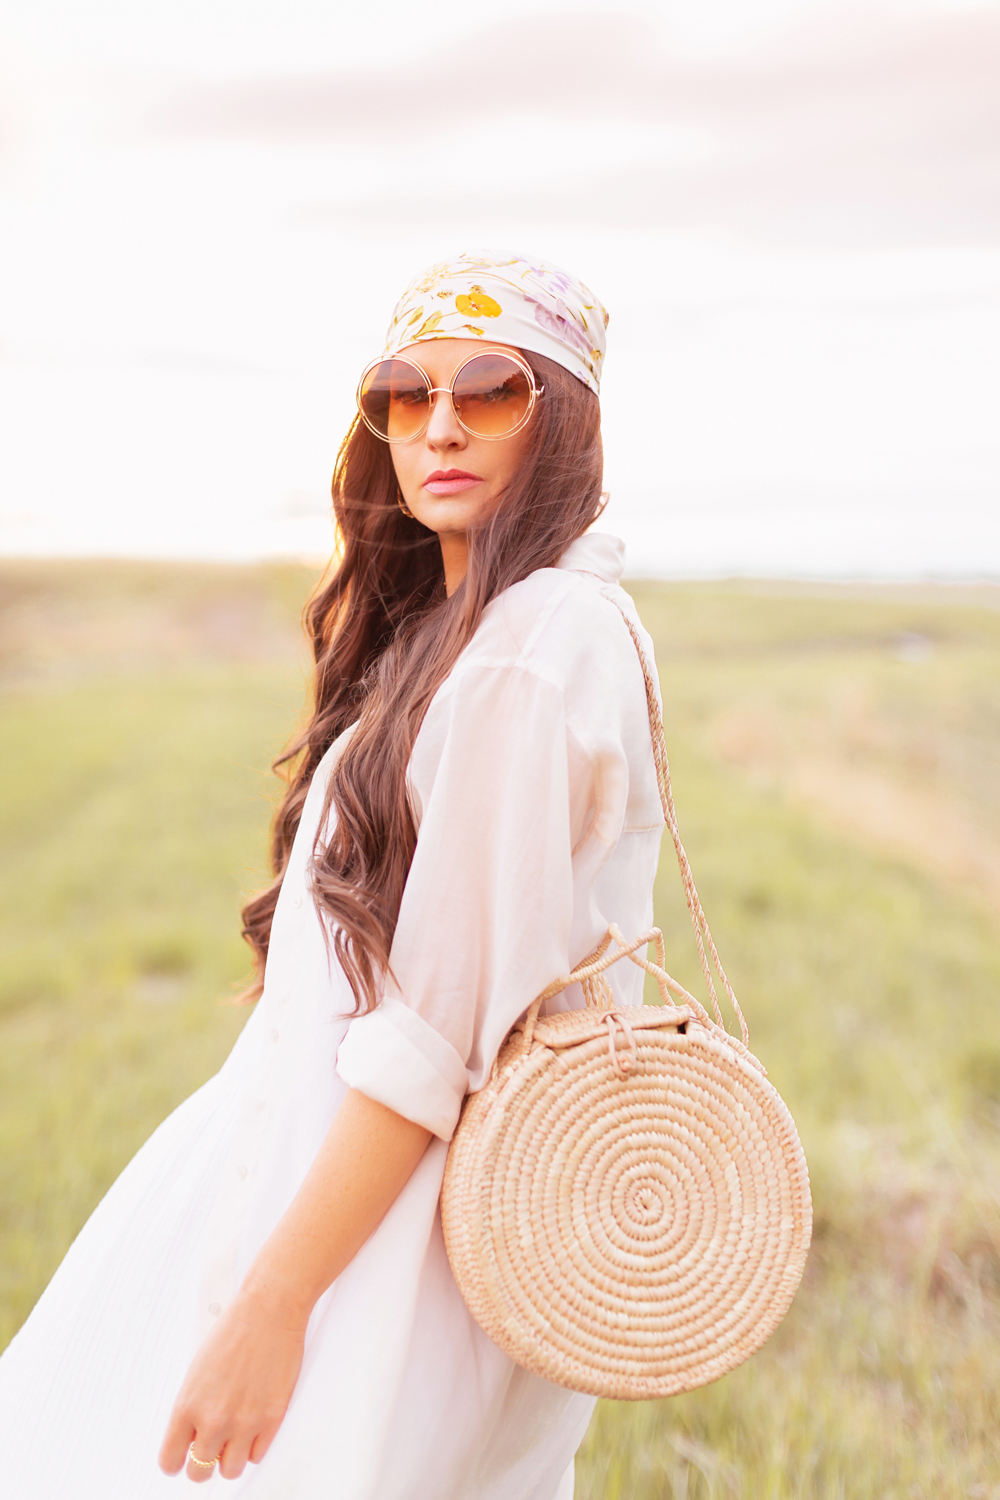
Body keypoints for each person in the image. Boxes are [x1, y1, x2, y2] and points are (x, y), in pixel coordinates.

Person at [0, 250, 664, 1498]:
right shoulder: (471, 629)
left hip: (381, 1240)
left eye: (491, 388)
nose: (442, 425)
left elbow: (434, 1036)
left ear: (563, 418)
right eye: (406, 397)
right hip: (319, 1176)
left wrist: (274, 1303)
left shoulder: (532, 648)